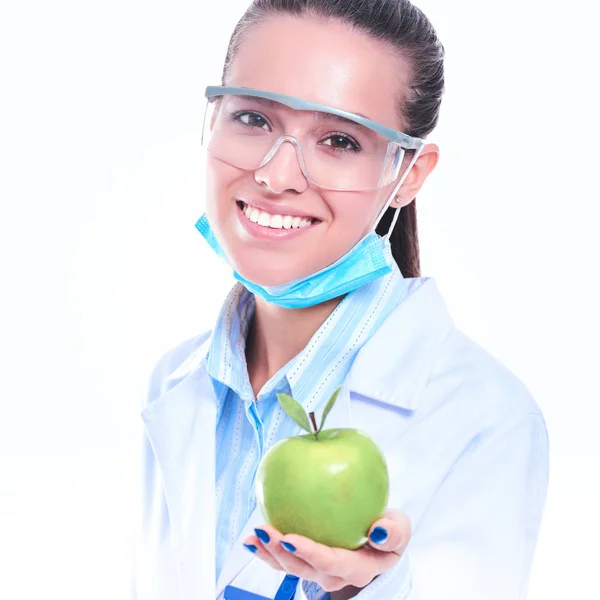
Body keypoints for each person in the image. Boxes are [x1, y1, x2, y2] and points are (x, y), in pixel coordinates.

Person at [131, 1, 549, 599]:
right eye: (253, 119)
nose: (277, 176)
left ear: (409, 172)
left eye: (337, 140)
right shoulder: (176, 380)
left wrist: (361, 590)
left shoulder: (484, 416)